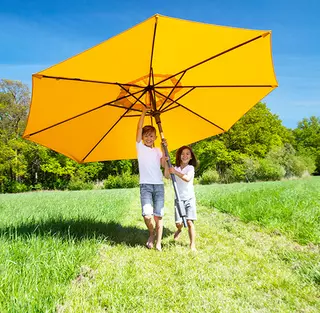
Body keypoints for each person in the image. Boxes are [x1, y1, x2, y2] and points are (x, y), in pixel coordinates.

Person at [136, 106, 166, 251]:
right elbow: (139, 127)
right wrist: (144, 112)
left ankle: (158, 242)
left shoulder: (157, 150)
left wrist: (165, 150)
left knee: (158, 216)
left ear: (155, 137)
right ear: (142, 137)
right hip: (146, 186)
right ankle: (151, 233)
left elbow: (163, 164)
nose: (148, 138)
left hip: (159, 185)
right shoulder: (140, 147)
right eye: (146, 135)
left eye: (151, 136)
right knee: (148, 216)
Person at [165, 145, 198, 251]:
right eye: (182, 154)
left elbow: (187, 178)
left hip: (189, 198)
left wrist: (175, 172)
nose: (185, 156)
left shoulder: (190, 168)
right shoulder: (175, 168)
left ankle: (192, 245)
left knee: (189, 222)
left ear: (191, 157)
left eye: (187, 153)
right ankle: (179, 230)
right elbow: (166, 175)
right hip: (178, 199)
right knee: (178, 223)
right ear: (179, 156)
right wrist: (166, 163)